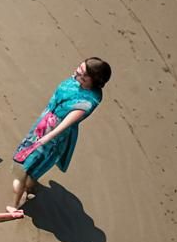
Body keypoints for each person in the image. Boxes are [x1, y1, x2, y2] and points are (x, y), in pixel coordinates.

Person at [12, 58, 111, 210]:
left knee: (28, 170)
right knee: (25, 166)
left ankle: (16, 204)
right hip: (45, 122)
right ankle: (27, 184)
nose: (77, 70)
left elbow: (65, 125)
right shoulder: (75, 81)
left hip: (53, 136)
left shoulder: (87, 102)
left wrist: (44, 139)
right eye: (80, 66)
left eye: (82, 71)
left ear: (90, 79)